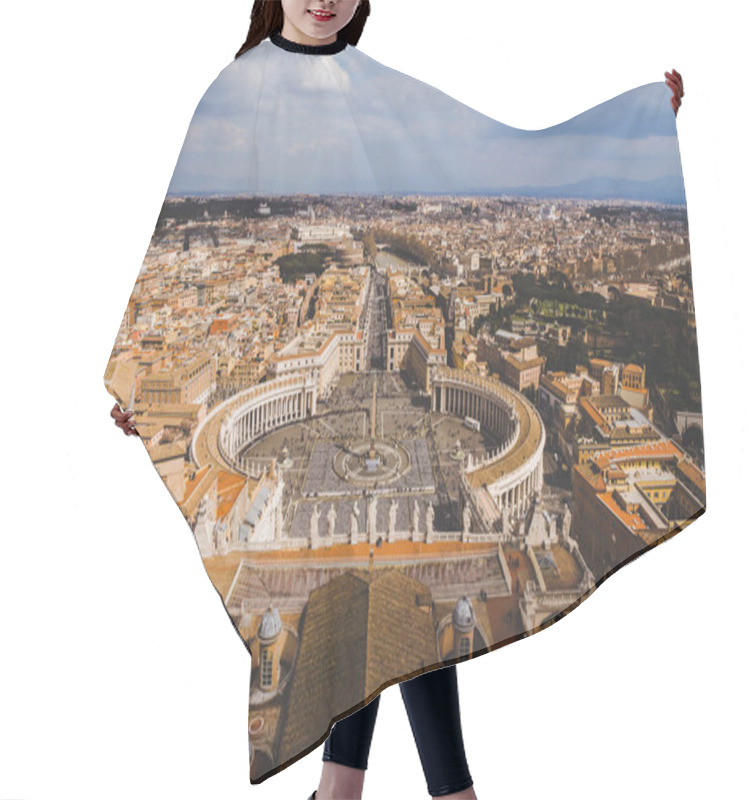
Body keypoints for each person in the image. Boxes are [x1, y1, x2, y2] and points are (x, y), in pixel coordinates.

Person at [109, 2, 686, 798]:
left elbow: (486, 144)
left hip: (358, 442)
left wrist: (642, 119)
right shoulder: (235, 88)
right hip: (316, 409)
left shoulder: (374, 83)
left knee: (391, 596)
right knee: (394, 598)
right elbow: (173, 242)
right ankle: (430, 791)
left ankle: (350, 789)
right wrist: (139, 386)